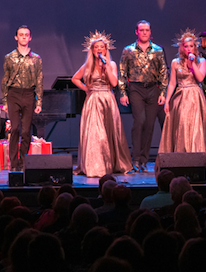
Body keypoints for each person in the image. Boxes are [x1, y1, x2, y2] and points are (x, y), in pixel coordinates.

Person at [71, 31, 132, 177]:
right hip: (93, 101)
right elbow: (75, 78)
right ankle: (95, 165)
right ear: (92, 50)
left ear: (105, 49)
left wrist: (106, 68)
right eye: (96, 47)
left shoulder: (111, 64)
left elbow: (114, 82)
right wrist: (87, 89)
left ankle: (111, 163)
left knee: (109, 132)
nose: (99, 49)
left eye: (102, 47)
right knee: (96, 134)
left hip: (108, 99)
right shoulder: (88, 65)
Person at [118, 20, 168, 173]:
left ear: (150, 32)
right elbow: (122, 72)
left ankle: (144, 160)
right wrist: (123, 93)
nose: (144, 32)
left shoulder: (158, 50)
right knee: (139, 121)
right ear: (136, 32)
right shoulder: (128, 50)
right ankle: (136, 159)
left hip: (153, 88)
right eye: (142, 30)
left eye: (147, 30)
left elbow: (163, 72)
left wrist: (163, 93)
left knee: (149, 125)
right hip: (136, 88)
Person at [159, 30, 206, 168]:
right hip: (181, 97)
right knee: (182, 127)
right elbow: (172, 83)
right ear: (182, 47)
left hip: (195, 97)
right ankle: (180, 160)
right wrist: (167, 100)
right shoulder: (175, 62)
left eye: (191, 46)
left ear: (195, 47)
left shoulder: (201, 61)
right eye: (186, 46)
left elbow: (200, 78)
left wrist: (193, 63)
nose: (189, 48)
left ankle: (197, 160)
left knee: (195, 128)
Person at [2, 25, 43, 171]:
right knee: (15, 129)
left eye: (26, 35)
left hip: (28, 94)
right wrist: (5, 100)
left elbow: (39, 80)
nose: (24, 37)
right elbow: (5, 80)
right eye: (21, 35)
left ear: (30, 38)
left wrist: (39, 101)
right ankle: (14, 164)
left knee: (26, 131)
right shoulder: (9, 57)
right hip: (14, 94)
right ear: (16, 37)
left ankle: (23, 162)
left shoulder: (36, 59)